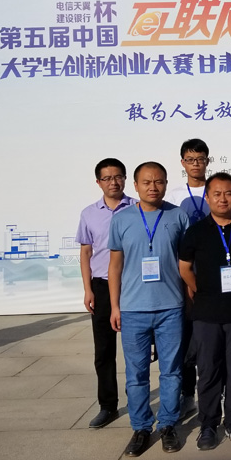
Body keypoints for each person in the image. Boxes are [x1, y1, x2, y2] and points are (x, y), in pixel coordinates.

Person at [108, 162, 190, 457]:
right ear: (135, 185)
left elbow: (186, 262)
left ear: (166, 183)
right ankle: (141, 427)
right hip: (133, 309)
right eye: (146, 182)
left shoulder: (178, 216)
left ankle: (168, 424)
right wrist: (115, 306)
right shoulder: (121, 219)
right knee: (136, 374)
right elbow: (114, 266)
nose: (153, 187)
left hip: (171, 307)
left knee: (172, 371)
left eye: (159, 181)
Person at [178, 173, 231, 451]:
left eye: (228, 193)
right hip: (206, 313)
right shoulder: (196, 231)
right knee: (208, 371)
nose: (223, 199)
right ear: (207, 197)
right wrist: (201, 290)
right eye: (217, 193)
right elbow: (184, 268)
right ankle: (208, 424)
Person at [76, 158, 136, 429]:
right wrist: (88, 289)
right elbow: (86, 252)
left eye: (118, 176)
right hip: (101, 285)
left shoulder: (137, 208)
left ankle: (137, 399)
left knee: (136, 349)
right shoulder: (89, 213)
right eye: (107, 178)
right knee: (104, 350)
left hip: (132, 285)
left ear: (125, 179)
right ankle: (107, 405)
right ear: (98, 182)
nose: (114, 182)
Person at [165, 138, 211, 416]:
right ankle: (186, 394)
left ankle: (215, 389)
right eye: (190, 160)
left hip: (215, 275)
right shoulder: (174, 196)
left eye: (200, 159)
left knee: (211, 336)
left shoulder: (216, 189)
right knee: (185, 339)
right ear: (183, 162)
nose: (196, 164)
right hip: (183, 275)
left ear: (207, 161)